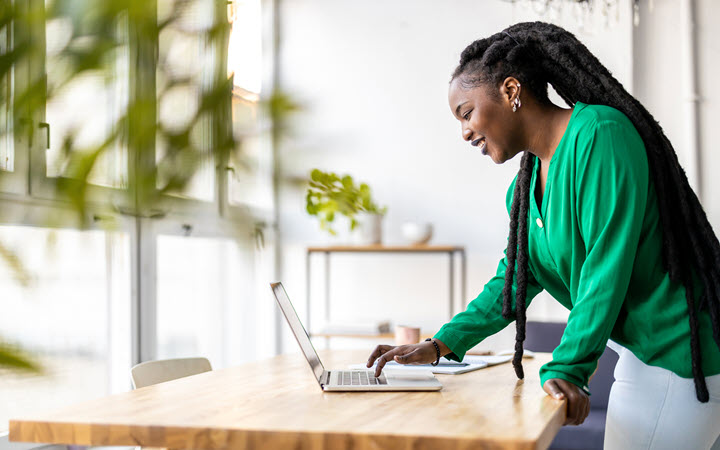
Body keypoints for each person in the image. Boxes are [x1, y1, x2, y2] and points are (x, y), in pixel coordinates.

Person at [366, 21, 720, 449]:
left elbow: (605, 269)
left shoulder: (600, 136)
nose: (464, 132)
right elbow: (511, 282)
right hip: (641, 354)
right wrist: (440, 344)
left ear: (511, 91)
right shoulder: (524, 188)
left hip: (682, 357)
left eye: (466, 113)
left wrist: (568, 366)